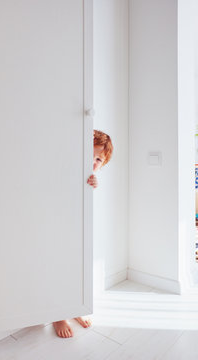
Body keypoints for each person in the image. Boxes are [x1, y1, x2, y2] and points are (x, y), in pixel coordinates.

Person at [53, 129, 113, 338]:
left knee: (77, 272)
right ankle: (58, 314)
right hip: (60, 229)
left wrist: (93, 184)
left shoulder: (89, 178)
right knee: (59, 270)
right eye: (91, 155)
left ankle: (75, 308)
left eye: (98, 159)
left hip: (79, 231)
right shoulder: (65, 170)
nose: (94, 162)